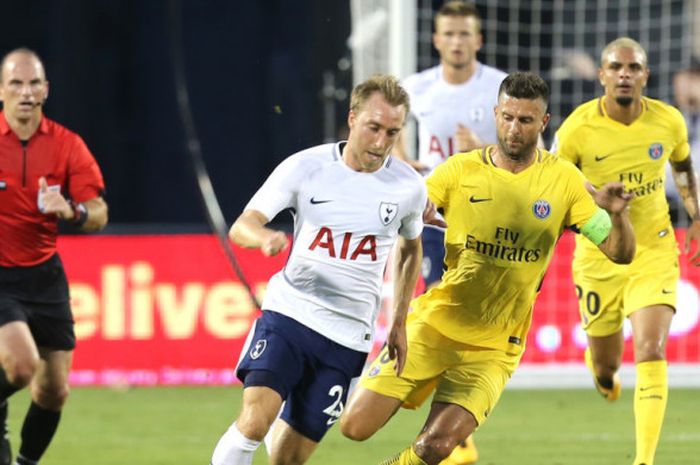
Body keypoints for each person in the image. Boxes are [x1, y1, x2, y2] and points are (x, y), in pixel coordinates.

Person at [339, 71, 637, 465]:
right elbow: (401, 213)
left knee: (436, 447)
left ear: (543, 123)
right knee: (354, 427)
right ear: (496, 114)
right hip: (434, 325)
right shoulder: (458, 171)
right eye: (508, 117)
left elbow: (619, 253)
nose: (514, 129)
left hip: (496, 345)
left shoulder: (564, 181)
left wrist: (617, 218)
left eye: (526, 120)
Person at [209, 74, 430, 465]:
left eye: (392, 132)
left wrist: (397, 323)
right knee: (255, 420)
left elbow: (411, 249)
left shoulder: (408, 186)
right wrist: (263, 238)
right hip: (291, 313)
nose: (381, 143)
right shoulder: (305, 167)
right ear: (352, 118)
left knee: (288, 458)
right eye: (373, 128)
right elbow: (241, 226)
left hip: (348, 338)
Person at [550, 37, 700, 465]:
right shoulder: (577, 128)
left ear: (645, 76)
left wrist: (696, 214)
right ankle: (601, 369)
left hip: (654, 249)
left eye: (633, 68)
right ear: (602, 75)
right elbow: (553, 179)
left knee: (651, 349)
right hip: (598, 255)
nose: (624, 74)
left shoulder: (669, 122)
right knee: (607, 368)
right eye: (616, 67)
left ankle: (644, 460)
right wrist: (592, 199)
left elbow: (683, 166)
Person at [397, 4, 507, 460]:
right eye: (449, 33)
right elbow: (393, 141)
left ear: (477, 40)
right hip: (436, 218)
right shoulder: (415, 88)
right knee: (443, 314)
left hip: (489, 221)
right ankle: (457, 436)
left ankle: (457, 419)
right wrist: (407, 163)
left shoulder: (499, 86)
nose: (457, 41)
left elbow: (531, 150)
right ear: (437, 40)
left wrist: (482, 150)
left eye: (465, 33)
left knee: (476, 324)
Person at [0, 48, 108, 465]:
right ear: (2, 91)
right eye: (16, 83)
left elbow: (98, 212)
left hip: (44, 276)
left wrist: (72, 211)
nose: (25, 92)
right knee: (21, 366)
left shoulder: (67, 145)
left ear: (45, 90)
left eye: (33, 83)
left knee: (53, 391)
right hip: (1, 277)